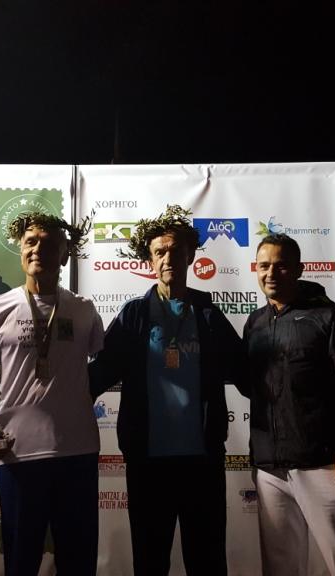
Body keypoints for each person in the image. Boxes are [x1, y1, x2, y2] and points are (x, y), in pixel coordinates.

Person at [89, 204, 244, 576]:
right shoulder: (134, 315)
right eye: (160, 252)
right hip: (148, 463)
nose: (168, 258)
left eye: (175, 251)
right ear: (150, 260)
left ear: (190, 256)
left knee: (208, 563)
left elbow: (248, 371)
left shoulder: (208, 315)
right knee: (150, 561)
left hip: (201, 461)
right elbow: (98, 375)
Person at [0, 211, 103, 576]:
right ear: (21, 250)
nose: (38, 249)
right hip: (18, 455)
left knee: (79, 564)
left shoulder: (85, 310)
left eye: (49, 244)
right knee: (21, 563)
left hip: (78, 453)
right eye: (30, 242)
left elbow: (104, 368)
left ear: (65, 254)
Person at [243, 233, 335, 576]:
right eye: (264, 266)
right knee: (281, 567)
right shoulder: (254, 323)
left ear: (299, 270)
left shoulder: (328, 317)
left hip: (325, 464)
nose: (271, 273)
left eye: (281, 266)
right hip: (270, 468)